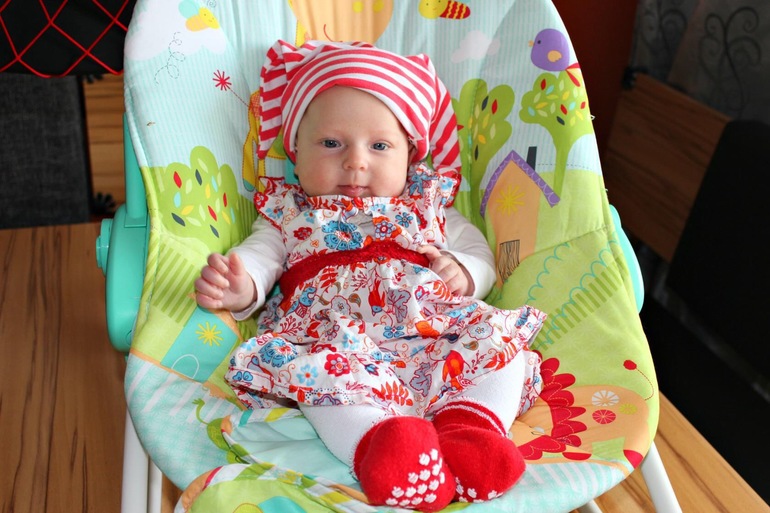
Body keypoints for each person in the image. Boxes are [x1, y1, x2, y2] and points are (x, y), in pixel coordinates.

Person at [194, 39, 546, 511]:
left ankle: (471, 431)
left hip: (432, 329)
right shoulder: (289, 212)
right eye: (331, 143)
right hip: (335, 339)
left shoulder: (428, 204)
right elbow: (260, 257)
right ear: (295, 152)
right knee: (320, 383)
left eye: (379, 146)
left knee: (501, 346)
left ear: (410, 156)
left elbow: (477, 252)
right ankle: (384, 446)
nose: (355, 161)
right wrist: (242, 286)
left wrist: (464, 271)